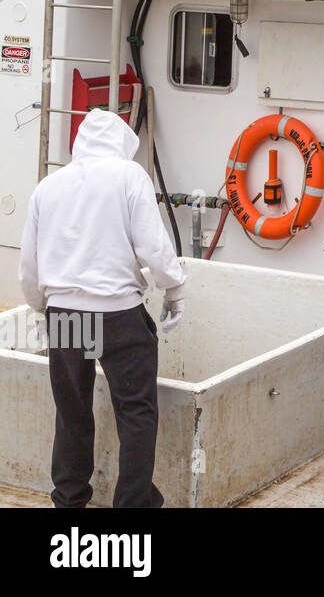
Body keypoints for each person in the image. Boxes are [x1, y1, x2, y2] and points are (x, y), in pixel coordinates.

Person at [18, 109, 187, 508]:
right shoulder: (129, 177)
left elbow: (29, 263)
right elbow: (154, 247)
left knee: (71, 411)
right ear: (121, 143)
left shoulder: (48, 186)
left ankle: (70, 500)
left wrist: (44, 306)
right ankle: (132, 505)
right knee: (136, 414)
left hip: (66, 315)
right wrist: (175, 289)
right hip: (118, 315)